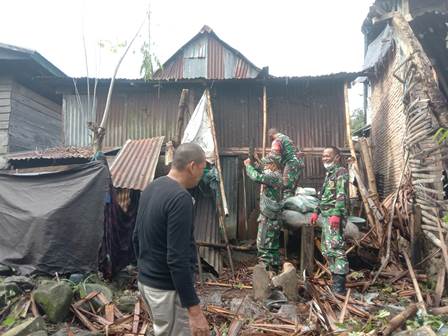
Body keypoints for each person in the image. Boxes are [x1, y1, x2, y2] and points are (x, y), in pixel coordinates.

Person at [133, 143, 210, 336]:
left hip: (146, 283)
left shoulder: (152, 187)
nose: (201, 176)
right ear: (192, 166)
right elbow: (177, 258)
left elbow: (136, 237)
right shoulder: (180, 199)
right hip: (166, 290)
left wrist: (145, 272)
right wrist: (194, 310)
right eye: (202, 169)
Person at [310, 146, 349, 295]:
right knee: (327, 249)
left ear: (337, 157)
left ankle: (339, 289)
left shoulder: (341, 172)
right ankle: (335, 282)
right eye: (323, 156)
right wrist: (315, 212)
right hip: (326, 216)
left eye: (328, 155)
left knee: (336, 249)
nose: (325, 158)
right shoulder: (329, 174)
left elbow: (341, 194)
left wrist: (337, 214)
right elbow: (323, 196)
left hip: (334, 216)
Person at [244, 157, 283, 273]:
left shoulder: (273, 177)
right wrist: (257, 166)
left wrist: (248, 166)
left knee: (263, 245)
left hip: (269, 217)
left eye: (267, 166)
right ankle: (274, 270)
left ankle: (264, 273)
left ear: (273, 165)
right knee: (273, 246)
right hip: (274, 217)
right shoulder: (277, 176)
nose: (265, 168)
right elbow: (262, 172)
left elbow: (257, 177)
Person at [263, 128, 303, 199]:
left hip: (291, 164)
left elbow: (274, 155)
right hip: (299, 163)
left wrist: (263, 161)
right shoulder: (287, 139)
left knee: (287, 187)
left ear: (271, 135)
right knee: (293, 187)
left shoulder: (277, 140)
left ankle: (288, 205)